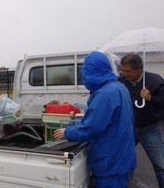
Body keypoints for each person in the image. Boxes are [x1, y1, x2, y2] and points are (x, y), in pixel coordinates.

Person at [53, 51, 136, 188]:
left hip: (110, 161)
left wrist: (67, 132)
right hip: (122, 155)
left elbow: (92, 127)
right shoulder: (119, 87)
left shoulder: (105, 94)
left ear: (91, 72)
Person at [119, 53, 164, 188]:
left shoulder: (154, 80)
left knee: (160, 164)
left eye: (129, 71)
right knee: (123, 160)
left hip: (150, 129)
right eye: (123, 71)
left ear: (139, 69)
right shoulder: (120, 82)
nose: (125, 74)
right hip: (128, 128)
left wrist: (151, 98)